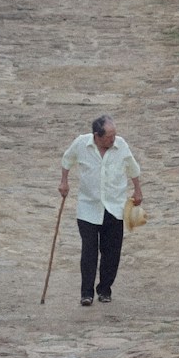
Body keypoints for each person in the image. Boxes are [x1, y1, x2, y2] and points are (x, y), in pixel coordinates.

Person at [59, 114, 144, 306]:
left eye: (114, 135)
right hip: (88, 207)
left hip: (115, 207)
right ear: (97, 136)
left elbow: (133, 168)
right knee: (89, 251)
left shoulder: (121, 145)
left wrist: (138, 190)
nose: (113, 139)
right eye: (109, 136)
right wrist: (64, 182)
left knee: (111, 252)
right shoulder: (82, 143)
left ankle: (105, 290)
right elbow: (67, 160)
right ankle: (86, 293)